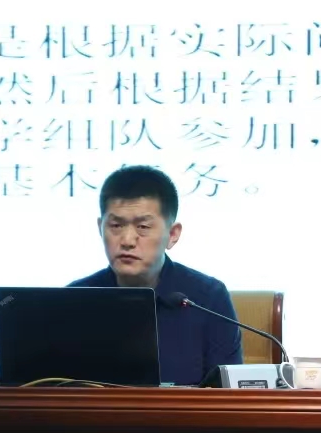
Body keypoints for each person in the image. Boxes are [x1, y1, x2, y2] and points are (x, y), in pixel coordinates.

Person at [68, 165, 243, 385]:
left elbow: (229, 393)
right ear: (100, 228)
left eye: (142, 227)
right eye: (116, 225)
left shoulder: (208, 299)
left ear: (172, 234)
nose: (127, 240)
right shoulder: (74, 298)